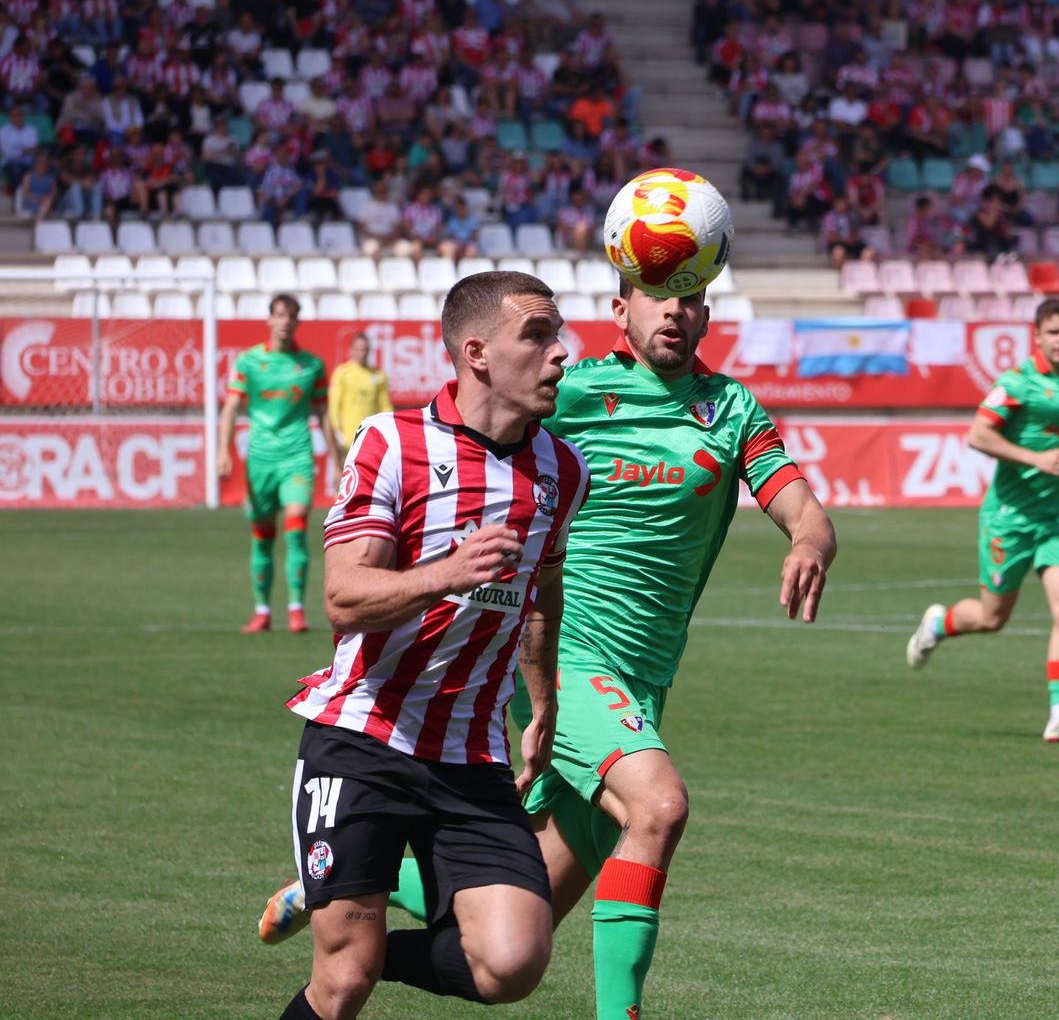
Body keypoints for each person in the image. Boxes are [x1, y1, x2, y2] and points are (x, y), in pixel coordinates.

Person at [262, 255, 838, 1020]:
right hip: (575, 663)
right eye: (657, 298)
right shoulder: (569, 396)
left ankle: (347, 892)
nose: (674, 312)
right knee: (658, 806)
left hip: (637, 680)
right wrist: (452, 584)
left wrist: (807, 541)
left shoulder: (728, 409)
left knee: (521, 946)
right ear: (619, 309)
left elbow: (804, 508)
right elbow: (476, 427)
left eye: (690, 299)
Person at [272, 271, 588, 1020]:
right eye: (537, 336)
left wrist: (541, 702)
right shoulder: (391, 442)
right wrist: (447, 572)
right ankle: (356, 955)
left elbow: (544, 590)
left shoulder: (561, 470)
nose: (560, 354)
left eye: (558, 334)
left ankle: (368, 951)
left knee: (512, 963)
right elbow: (343, 598)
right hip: (362, 740)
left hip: (471, 757)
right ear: (476, 352)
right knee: (342, 980)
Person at [906, 299, 1059, 742]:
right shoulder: (1017, 383)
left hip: (1056, 517)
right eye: (1054, 332)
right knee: (992, 617)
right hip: (1009, 518)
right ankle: (939, 623)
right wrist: (1034, 459)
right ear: (1036, 334)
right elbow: (978, 434)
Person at [216, 295, 338, 635]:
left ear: (298, 322)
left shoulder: (311, 365)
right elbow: (230, 408)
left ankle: (297, 610)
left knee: (297, 528)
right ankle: (263, 611)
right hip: (260, 460)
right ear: (269, 319)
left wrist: (336, 459)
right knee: (262, 537)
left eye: (291, 316)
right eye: (280, 315)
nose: (285, 321)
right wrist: (222, 451)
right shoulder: (250, 362)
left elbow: (323, 413)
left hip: (297, 457)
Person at [325, 332, 392, 471]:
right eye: (359, 349)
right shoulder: (343, 373)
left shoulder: (378, 375)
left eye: (365, 349)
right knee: (346, 479)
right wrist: (338, 432)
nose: (362, 353)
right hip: (347, 438)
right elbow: (334, 406)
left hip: (370, 440)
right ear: (351, 351)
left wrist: (389, 429)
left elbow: (385, 406)